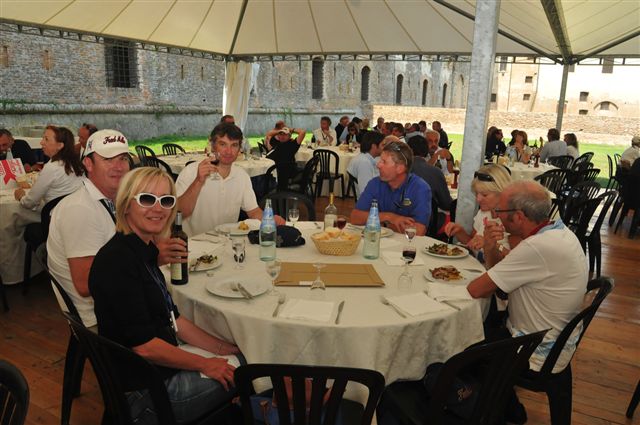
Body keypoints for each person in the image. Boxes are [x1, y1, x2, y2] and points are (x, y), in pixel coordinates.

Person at [89, 167, 241, 424]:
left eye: (167, 200)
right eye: (147, 199)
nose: (158, 208)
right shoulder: (118, 261)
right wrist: (206, 364)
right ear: (126, 205)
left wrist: (223, 348)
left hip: (157, 372)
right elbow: (145, 347)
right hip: (148, 395)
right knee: (251, 371)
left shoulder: (143, 250)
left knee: (242, 354)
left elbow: (174, 319)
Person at [466, 180, 588, 422]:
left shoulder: (537, 247)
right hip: (557, 339)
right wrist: (491, 247)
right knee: (487, 324)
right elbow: (502, 278)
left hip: (533, 348)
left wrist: (490, 248)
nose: (496, 216)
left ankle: (488, 412)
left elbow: (477, 289)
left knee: (459, 349)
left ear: (519, 216)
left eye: (500, 211)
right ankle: (509, 409)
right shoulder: (559, 231)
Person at [47, 129, 188, 328]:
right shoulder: (79, 209)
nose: (119, 167)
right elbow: (85, 285)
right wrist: (153, 257)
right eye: (108, 159)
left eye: (123, 158)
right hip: (100, 320)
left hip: (125, 299)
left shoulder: (113, 200)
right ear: (88, 163)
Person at [177, 123, 284, 236]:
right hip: (194, 243)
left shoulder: (242, 176)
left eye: (234, 145)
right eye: (223, 144)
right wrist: (198, 181)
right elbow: (177, 213)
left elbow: (253, 211)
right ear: (213, 146)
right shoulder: (191, 172)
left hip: (227, 242)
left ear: (239, 149)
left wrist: (270, 219)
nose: (228, 151)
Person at [350, 141, 431, 236]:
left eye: (384, 162)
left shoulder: (420, 188)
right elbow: (355, 218)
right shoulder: (375, 183)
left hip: (406, 244)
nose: (378, 165)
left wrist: (381, 223)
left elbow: (419, 231)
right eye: (380, 160)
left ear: (400, 168)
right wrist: (389, 217)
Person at [444, 164, 517, 263]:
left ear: (502, 192)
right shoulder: (483, 213)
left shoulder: (513, 220)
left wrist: (491, 244)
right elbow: (473, 244)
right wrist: (459, 232)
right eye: (476, 193)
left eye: (484, 195)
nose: (478, 199)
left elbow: (517, 261)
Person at [14, 125, 83, 209]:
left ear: (60, 145)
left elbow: (30, 202)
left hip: (57, 214)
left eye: (46, 139)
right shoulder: (75, 163)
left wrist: (21, 197)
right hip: (75, 210)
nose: (41, 142)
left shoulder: (52, 167)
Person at [408, 135, 452, 213]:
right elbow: (446, 204)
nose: (433, 144)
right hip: (427, 217)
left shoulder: (397, 169)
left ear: (409, 150)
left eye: (436, 141)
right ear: (426, 149)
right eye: (430, 141)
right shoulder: (435, 172)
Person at [347, 131, 384, 196]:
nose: (384, 148)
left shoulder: (366, 158)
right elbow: (366, 190)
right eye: (382, 145)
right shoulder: (364, 163)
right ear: (374, 146)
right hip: (372, 199)